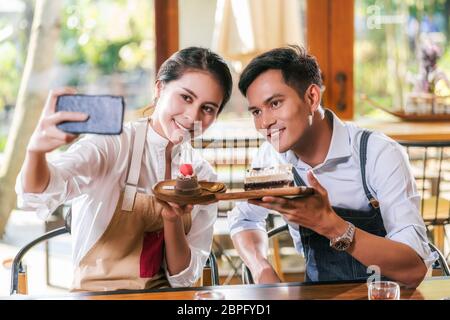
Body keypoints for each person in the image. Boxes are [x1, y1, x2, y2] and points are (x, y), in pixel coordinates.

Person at [15, 47, 232, 291]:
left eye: (208, 108)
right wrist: (36, 152)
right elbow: (37, 195)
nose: (193, 115)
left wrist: (172, 220)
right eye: (186, 97)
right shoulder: (112, 145)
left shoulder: (203, 177)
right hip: (96, 296)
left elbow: (182, 278)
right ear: (159, 88)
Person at [228, 45, 437, 288]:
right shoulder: (272, 156)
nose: (264, 123)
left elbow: (414, 269)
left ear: (312, 97)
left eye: (275, 104)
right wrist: (262, 269)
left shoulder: (378, 154)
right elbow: (243, 220)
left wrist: (330, 225)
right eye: (256, 111)